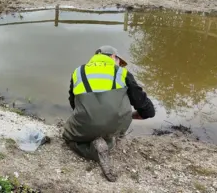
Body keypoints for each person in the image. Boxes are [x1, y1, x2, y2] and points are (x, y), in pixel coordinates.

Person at [62, 45, 155, 182]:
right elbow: (148, 110)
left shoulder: (79, 72)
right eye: (119, 61)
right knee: (112, 132)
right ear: (113, 57)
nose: (120, 65)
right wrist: (130, 115)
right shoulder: (122, 73)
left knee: (68, 136)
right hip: (116, 124)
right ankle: (109, 141)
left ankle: (93, 148)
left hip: (86, 122)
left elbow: (73, 104)